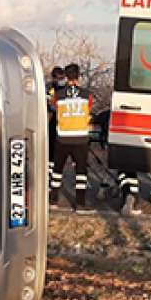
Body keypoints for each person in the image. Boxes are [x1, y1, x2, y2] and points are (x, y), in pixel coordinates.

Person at [50, 63, 92, 211]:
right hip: (81, 137)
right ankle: (80, 203)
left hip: (63, 137)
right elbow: (89, 109)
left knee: (57, 170)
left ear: (66, 77)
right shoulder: (87, 95)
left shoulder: (58, 95)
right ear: (79, 76)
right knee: (81, 172)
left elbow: (53, 107)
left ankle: (53, 200)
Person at [46, 66, 66, 191]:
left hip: (64, 123)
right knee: (51, 155)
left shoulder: (66, 89)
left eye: (62, 78)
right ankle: (49, 181)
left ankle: (54, 180)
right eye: (58, 78)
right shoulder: (50, 89)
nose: (60, 80)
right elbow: (49, 105)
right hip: (53, 122)